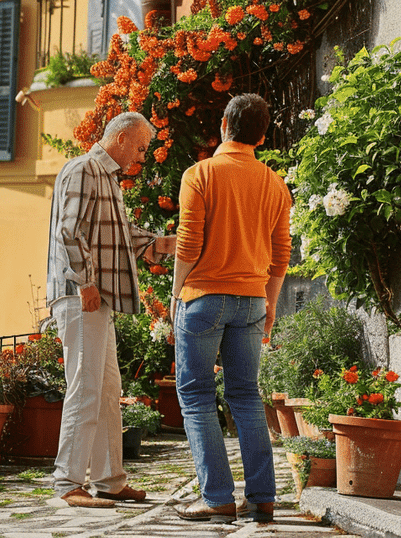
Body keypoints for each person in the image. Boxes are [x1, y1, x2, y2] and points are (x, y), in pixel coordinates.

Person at [169, 94, 292, 523]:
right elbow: (281, 254)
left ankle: (217, 497)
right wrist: (270, 305)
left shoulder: (200, 173)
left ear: (224, 124)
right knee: (246, 398)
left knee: (197, 396)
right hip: (253, 299)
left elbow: (188, 243)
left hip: (203, 296)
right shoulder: (275, 183)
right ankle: (263, 498)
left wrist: (175, 291)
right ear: (261, 135)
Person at [46, 111, 175, 507]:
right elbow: (69, 231)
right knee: (86, 389)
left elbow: (122, 237)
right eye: (139, 147)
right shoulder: (84, 169)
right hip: (81, 295)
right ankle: (67, 482)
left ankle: (109, 480)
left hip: (94, 298)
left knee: (107, 390)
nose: (141, 156)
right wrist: (85, 282)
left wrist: (170, 242)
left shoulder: (108, 180)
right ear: (120, 138)